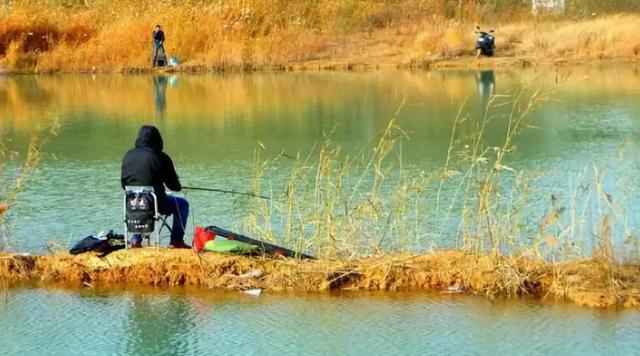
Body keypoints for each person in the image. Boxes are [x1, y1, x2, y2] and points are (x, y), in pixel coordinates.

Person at [121, 125, 190, 248]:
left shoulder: (128, 155)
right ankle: (176, 241)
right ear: (158, 140)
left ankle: (136, 240)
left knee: (139, 201)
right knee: (183, 204)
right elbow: (174, 186)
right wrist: (178, 186)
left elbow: (123, 184)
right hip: (155, 204)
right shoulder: (161, 157)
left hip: (132, 204)